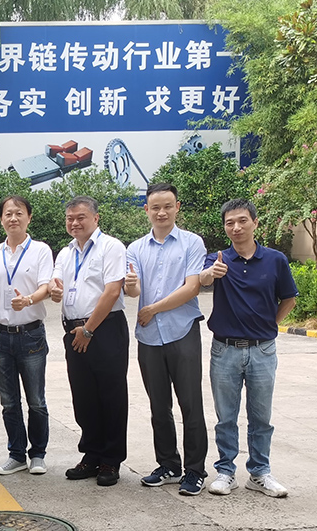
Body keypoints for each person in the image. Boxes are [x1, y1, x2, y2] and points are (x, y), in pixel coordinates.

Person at [200, 199, 297, 498]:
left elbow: (289, 299)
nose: (236, 227)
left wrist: (269, 326)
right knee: (225, 418)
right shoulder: (217, 259)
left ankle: (259, 472)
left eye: (242, 220)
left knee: (261, 418)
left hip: (262, 351)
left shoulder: (275, 260)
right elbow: (201, 280)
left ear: (255, 222)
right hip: (224, 350)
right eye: (229, 222)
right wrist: (211, 273)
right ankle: (225, 472)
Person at [124, 183, 208, 496]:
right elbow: (134, 290)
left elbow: (192, 287)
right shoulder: (135, 248)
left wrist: (153, 309)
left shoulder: (191, 243)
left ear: (177, 207)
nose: (161, 212)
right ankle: (169, 465)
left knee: (190, 405)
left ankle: (195, 470)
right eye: (155, 207)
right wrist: (131, 286)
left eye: (167, 206)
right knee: (159, 406)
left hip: (182, 331)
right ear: (146, 210)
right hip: (149, 337)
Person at [48, 196, 128, 487]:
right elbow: (56, 283)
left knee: (111, 396)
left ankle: (111, 460)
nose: (74, 223)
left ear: (96, 218)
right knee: (83, 397)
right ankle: (91, 454)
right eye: (70, 218)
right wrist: (54, 290)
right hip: (73, 331)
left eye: (80, 217)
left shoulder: (111, 247)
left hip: (104, 329)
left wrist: (89, 329)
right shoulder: (66, 252)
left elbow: (112, 291)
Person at [0, 196, 54, 477]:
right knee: (9, 401)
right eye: (8, 214)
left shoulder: (40, 250)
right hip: (1, 336)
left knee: (36, 400)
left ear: (29, 217)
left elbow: (46, 286)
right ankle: (16, 455)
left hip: (31, 334)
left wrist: (28, 300)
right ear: (1, 219)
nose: (13, 218)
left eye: (19, 213)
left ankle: (37, 454)